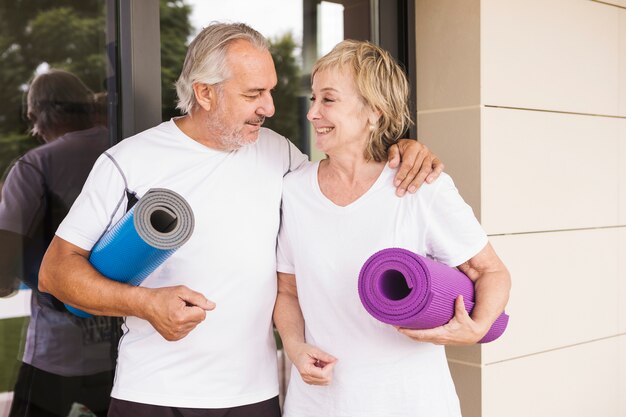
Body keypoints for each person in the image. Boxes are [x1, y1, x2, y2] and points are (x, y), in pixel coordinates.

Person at [38, 23, 442, 417]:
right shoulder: (128, 161)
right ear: (205, 93)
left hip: (255, 396)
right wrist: (144, 303)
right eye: (254, 94)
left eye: (270, 91)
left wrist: (400, 147)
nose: (269, 107)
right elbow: (55, 272)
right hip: (153, 392)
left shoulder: (279, 154)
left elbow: (348, 175)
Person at [273, 40, 512, 417]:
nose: (312, 113)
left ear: (374, 111)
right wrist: (295, 347)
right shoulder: (294, 189)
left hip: (412, 402)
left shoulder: (419, 186)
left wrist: (477, 327)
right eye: (313, 98)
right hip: (319, 403)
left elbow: (491, 271)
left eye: (329, 100)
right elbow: (287, 291)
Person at [0, 69, 118, 417]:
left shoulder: (34, 166)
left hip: (56, 352)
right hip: (121, 343)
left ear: (34, 116)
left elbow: (2, 266)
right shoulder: (122, 147)